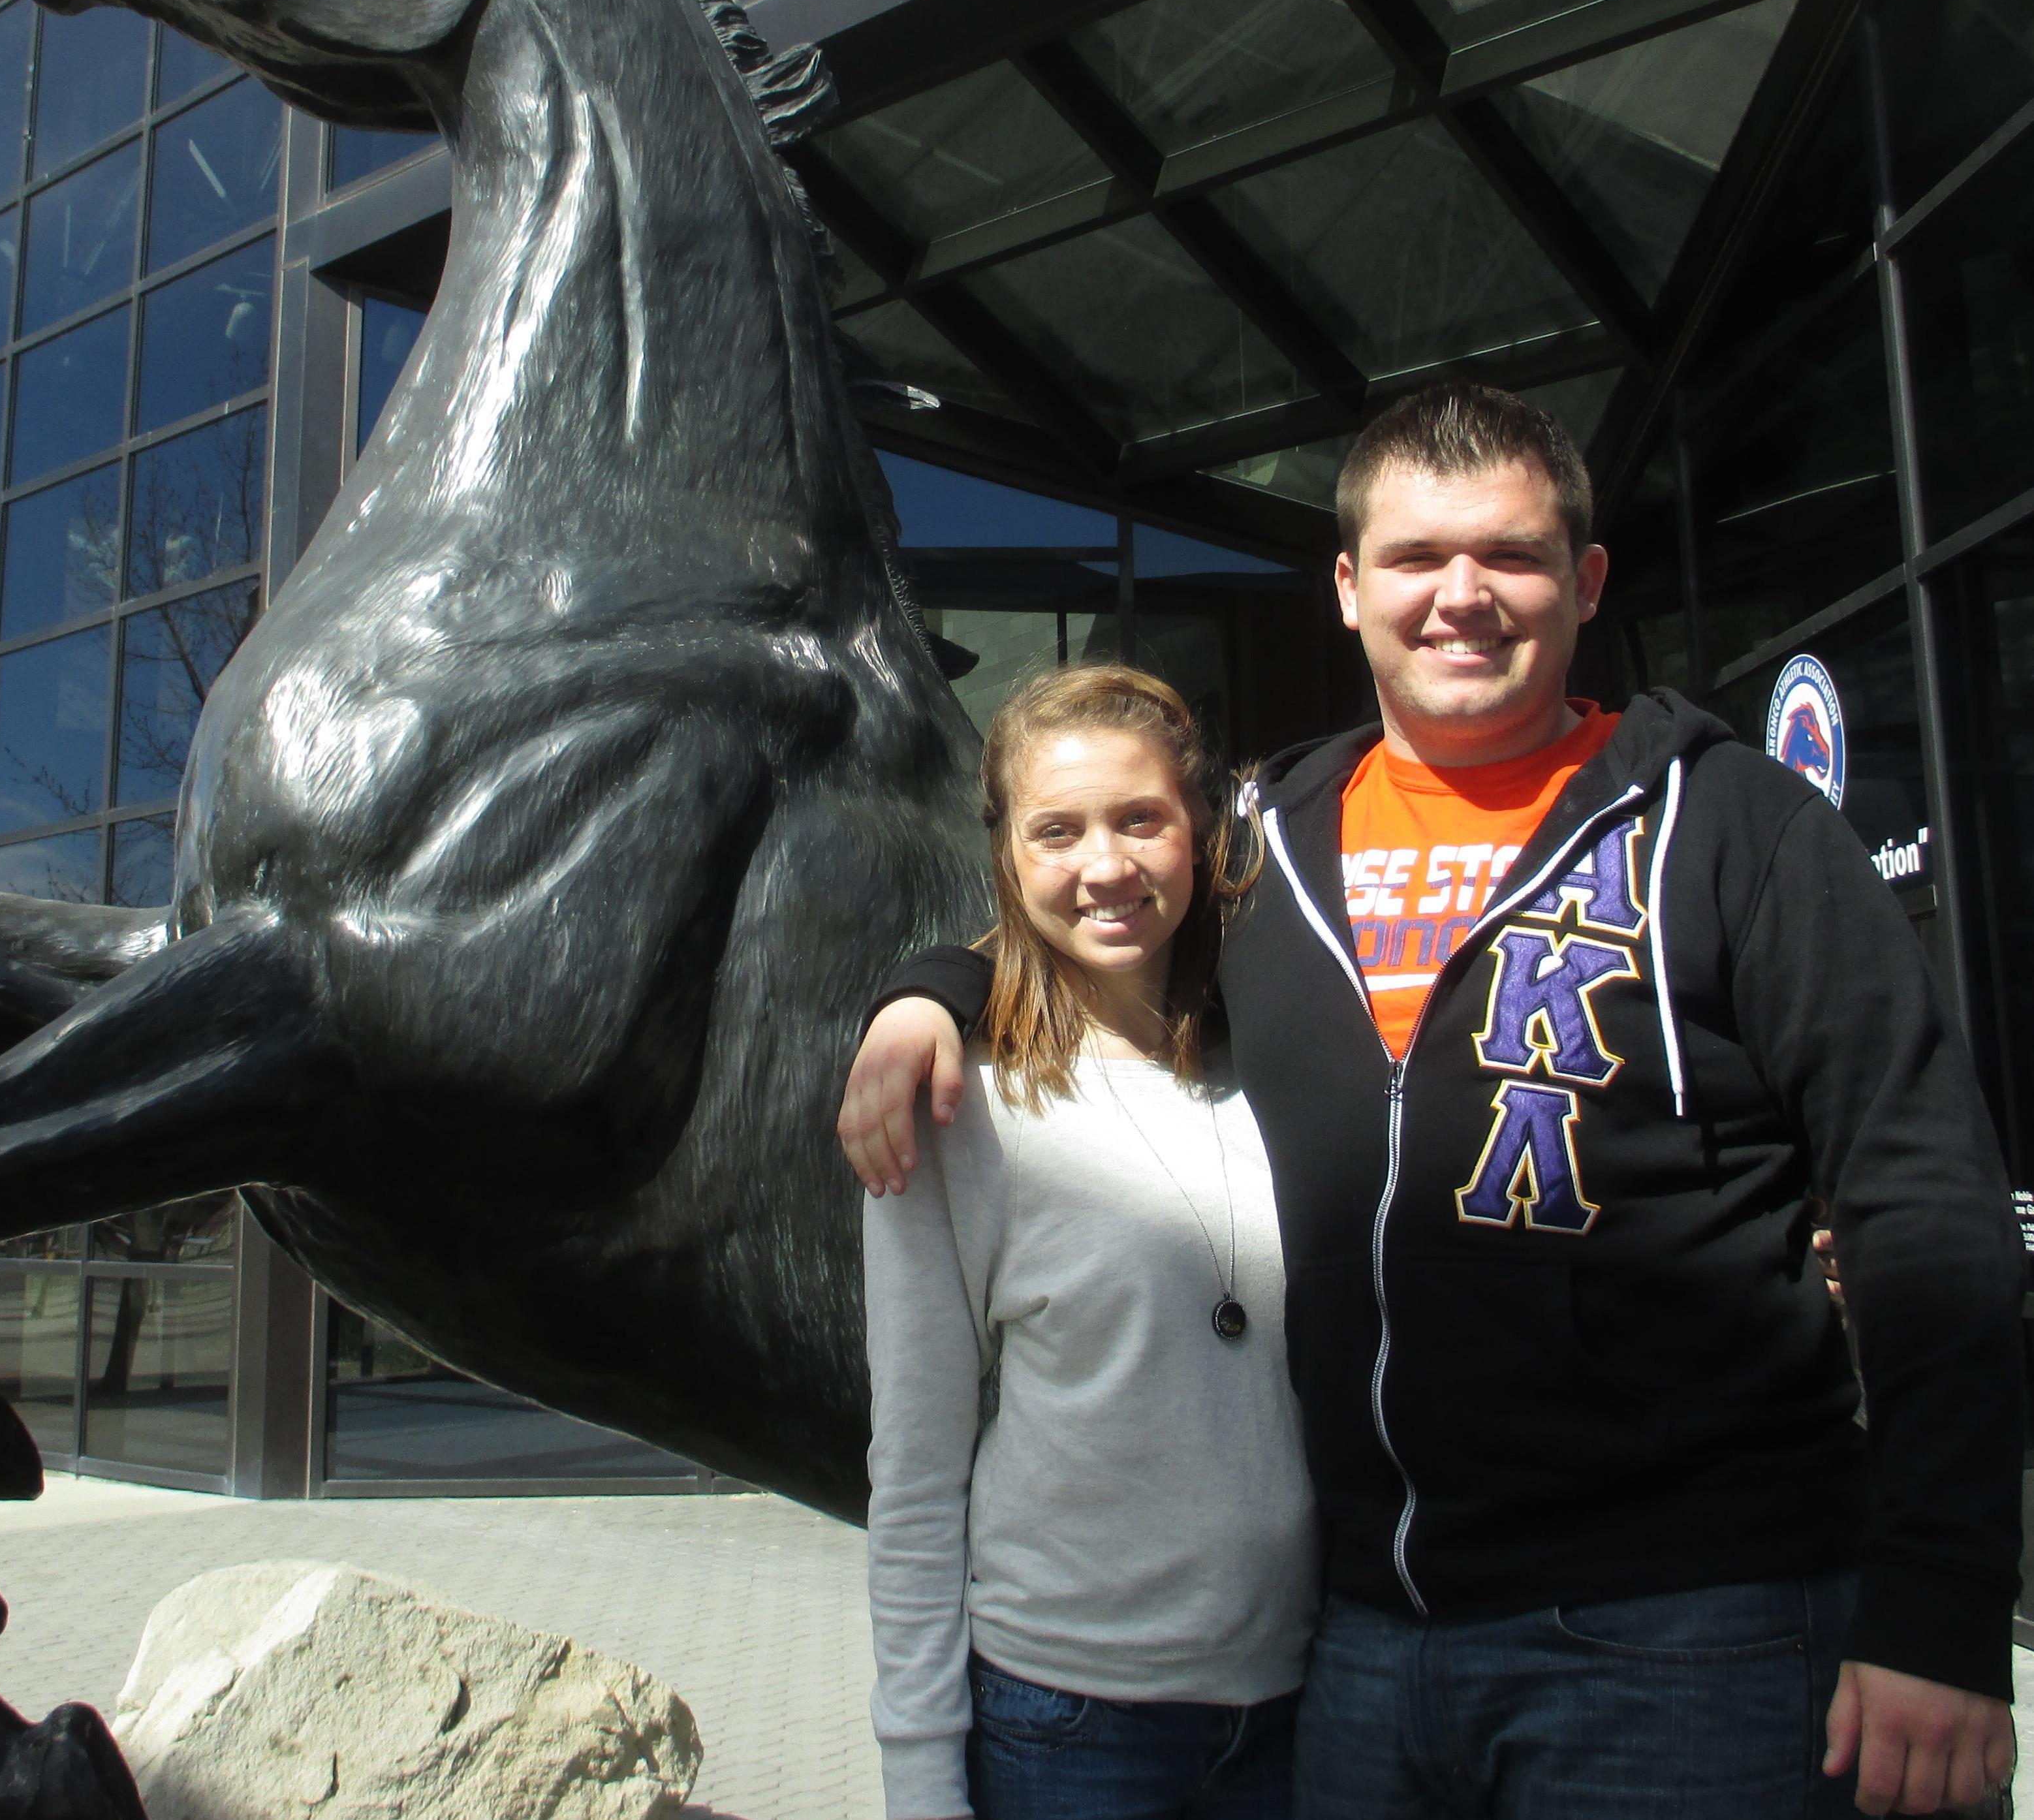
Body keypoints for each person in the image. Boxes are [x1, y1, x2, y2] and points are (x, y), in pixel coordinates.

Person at [842, 383, 2024, 1820]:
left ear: (1584, 581)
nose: (1458, 594)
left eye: (1509, 555)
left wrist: (1940, 1609)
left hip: (1683, 1631)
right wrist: (926, 990)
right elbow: (1088, 911)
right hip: (1359, 1651)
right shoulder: (1267, 845)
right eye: (1411, 558)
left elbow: (1925, 1204)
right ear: (1345, 589)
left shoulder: (1731, 826)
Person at [864, 662, 1319, 1820]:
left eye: (1140, 820)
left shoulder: (1282, 1069)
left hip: (1304, 1705)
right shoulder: (959, 1112)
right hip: (1071, 1725)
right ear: (1009, 861)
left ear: (1202, 832)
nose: (1104, 866)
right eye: (1056, 831)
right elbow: (915, 1476)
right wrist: (922, 1777)